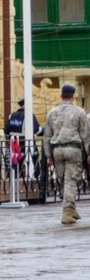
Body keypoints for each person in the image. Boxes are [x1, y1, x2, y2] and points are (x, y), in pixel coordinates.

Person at [42, 84, 88, 225]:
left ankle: (71, 209)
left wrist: (48, 154)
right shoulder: (79, 112)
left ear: (61, 95)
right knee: (71, 180)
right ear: (73, 96)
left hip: (57, 150)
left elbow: (47, 136)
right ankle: (67, 211)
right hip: (73, 149)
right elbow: (85, 135)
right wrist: (88, 152)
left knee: (63, 179)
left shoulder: (52, 112)